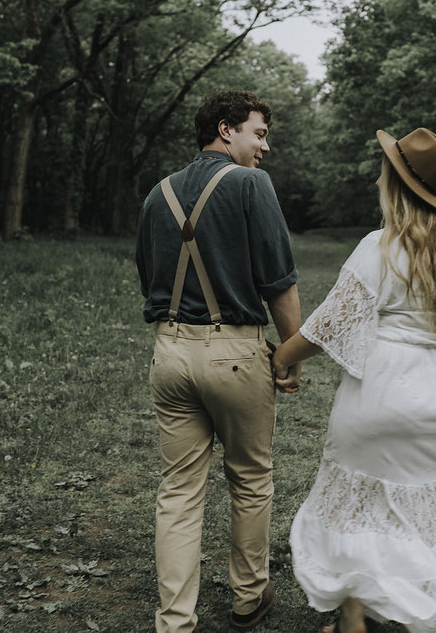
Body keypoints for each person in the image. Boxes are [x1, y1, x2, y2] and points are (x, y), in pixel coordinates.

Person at [271, 127, 436, 633]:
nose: (378, 176)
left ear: (395, 186)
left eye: (384, 171)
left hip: (387, 400)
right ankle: (386, 611)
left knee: (354, 509)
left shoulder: (382, 245)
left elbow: (331, 321)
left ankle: (354, 619)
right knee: (421, 519)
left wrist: (282, 358)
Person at [135, 90, 303, 633]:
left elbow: (149, 276)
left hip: (170, 353)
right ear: (226, 130)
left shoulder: (156, 195)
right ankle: (249, 597)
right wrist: (291, 353)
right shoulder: (252, 185)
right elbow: (278, 279)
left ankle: (174, 620)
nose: (265, 146)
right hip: (235, 352)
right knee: (250, 479)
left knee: (179, 491)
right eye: (259, 133)